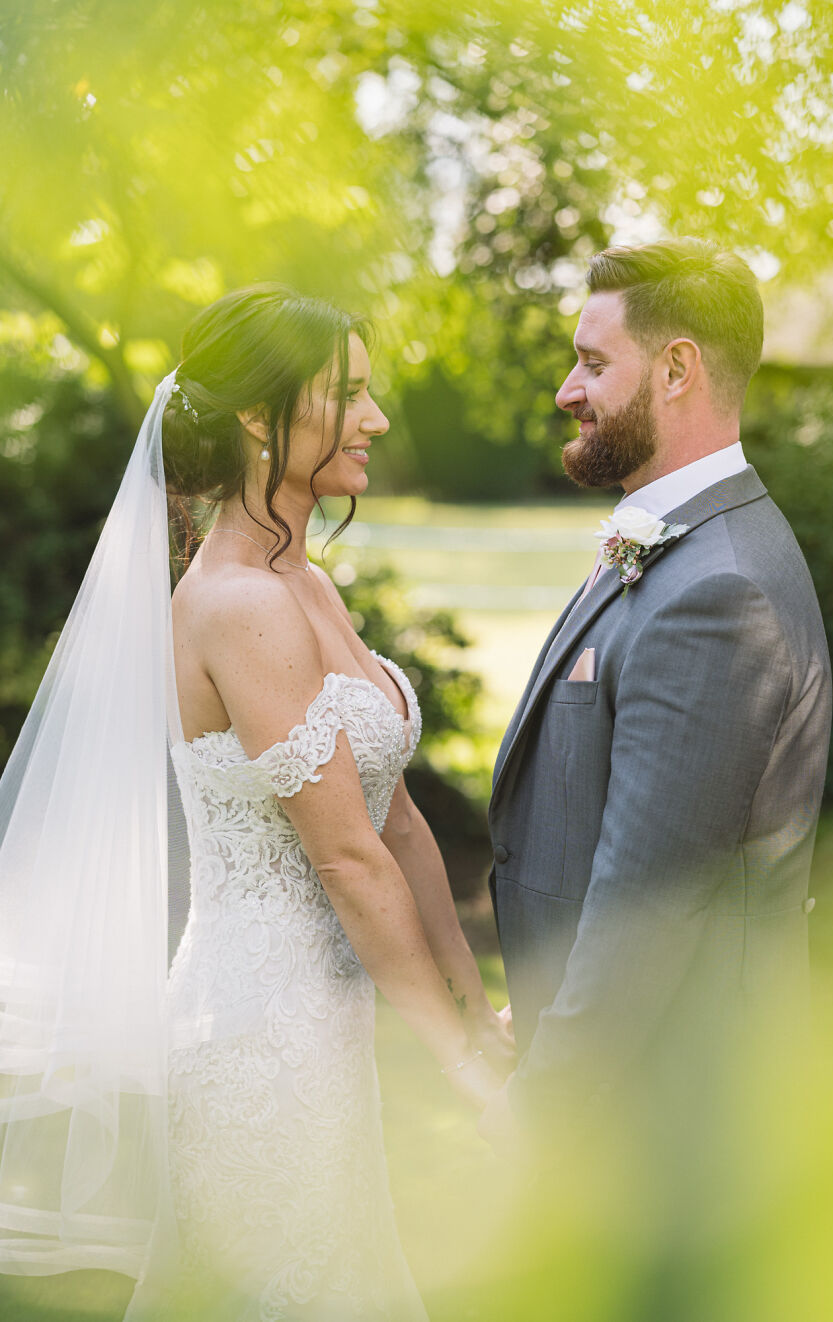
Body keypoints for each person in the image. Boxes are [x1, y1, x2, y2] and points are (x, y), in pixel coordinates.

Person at [0, 285, 512, 1322]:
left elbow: (399, 823)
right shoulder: (237, 604)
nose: (374, 419)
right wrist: (462, 1068)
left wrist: (473, 1015)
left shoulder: (306, 585)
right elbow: (347, 860)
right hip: (256, 1036)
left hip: (323, 1021)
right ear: (254, 416)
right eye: (349, 395)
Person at [479, 239, 832, 1161]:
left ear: (678, 370)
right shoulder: (683, 540)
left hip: (670, 1115)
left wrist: (542, 1102)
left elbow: (652, 901)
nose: (566, 388)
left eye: (594, 363)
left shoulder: (722, 590)